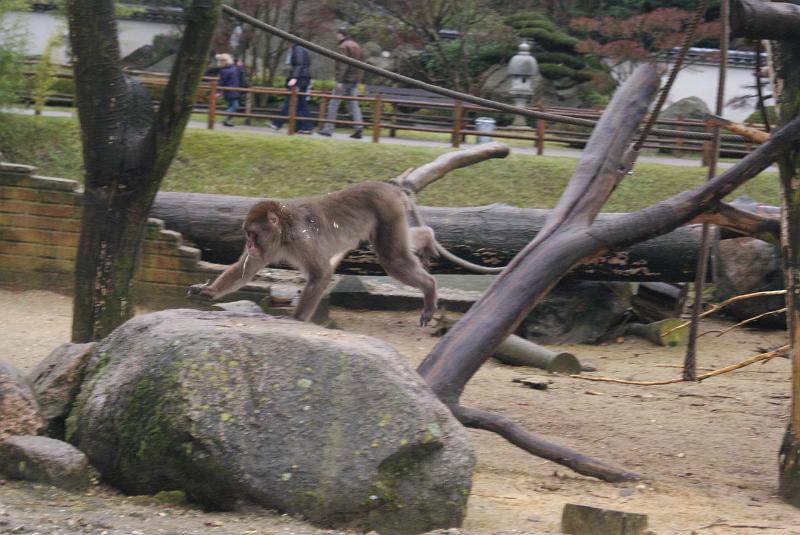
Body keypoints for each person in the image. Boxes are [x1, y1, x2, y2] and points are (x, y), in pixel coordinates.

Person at [318, 28, 364, 139]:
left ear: (341, 35)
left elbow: (343, 64)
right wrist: (358, 79)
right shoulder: (356, 45)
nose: (336, 37)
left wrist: (339, 80)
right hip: (354, 80)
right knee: (354, 105)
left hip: (344, 80)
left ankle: (328, 129)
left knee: (334, 104)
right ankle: (358, 128)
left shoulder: (343, 46)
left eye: (337, 35)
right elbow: (362, 64)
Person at [269, 43, 313, 134]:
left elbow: (299, 64)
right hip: (304, 78)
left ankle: (278, 123)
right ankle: (304, 126)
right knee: (301, 103)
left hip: (300, 78)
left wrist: (294, 77)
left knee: (290, 101)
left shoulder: (298, 49)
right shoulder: (302, 49)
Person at [215, 53, 242, 127]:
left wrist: (240, 65)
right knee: (235, 106)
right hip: (229, 91)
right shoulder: (225, 70)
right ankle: (225, 119)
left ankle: (227, 120)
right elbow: (221, 82)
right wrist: (217, 92)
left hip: (233, 90)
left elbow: (239, 70)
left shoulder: (232, 68)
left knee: (232, 106)